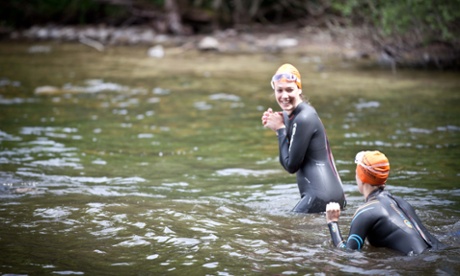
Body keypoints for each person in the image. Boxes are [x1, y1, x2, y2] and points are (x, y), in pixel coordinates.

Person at [261, 63, 345, 213]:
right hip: (330, 195)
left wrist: (280, 129)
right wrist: (278, 124)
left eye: (289, 90)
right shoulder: (293, 115)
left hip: (320, 197)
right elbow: (292, 145)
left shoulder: (304, 118)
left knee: (283, 230)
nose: (284, 96)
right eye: (279, 90)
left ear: (299, 89)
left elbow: (291, 165)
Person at [326, 150, 445, 255]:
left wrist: (332, 222)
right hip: (436, 251)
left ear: (361, 177)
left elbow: (348, 253)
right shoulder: (400, 202)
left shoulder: (366, 212)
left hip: (415, 264)